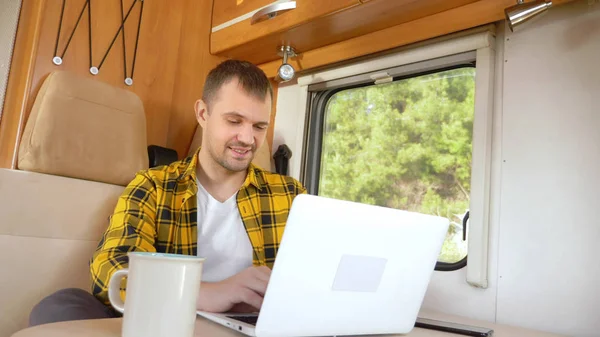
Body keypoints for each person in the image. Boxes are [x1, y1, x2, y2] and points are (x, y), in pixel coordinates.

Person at [29, 60, 306, 326]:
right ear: (203, 114)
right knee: (61, 305)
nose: (247, 139)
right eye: (234, 121)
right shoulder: (153, 186)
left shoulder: (292, 195)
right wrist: (208, 293)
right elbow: (111, 268)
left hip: (255, 328)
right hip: (168, 322)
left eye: (259, 127)